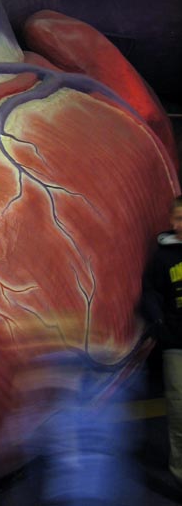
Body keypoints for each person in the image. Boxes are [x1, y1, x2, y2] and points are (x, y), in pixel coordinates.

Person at [142, 194, 182, 485]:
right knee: (179, 411)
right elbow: (151, 292)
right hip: (176, 345)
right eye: (179, 219)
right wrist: (159, 323)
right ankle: (179, 472)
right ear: (171, 220)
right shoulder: (162, 257)